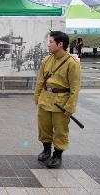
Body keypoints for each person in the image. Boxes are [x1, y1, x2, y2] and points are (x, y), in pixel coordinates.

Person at [34, 31, 81, 168]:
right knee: (44, 127)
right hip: (45, 99)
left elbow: (75, 88)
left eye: (51, 42)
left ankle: (57, 155)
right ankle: (46, 149)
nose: (48, 45)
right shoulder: (47, 60)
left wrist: (70, 107)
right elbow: (40, 80)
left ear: (60, 44)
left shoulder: (72, 63)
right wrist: (37, 95)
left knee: (60, 130)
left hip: (61, 103)